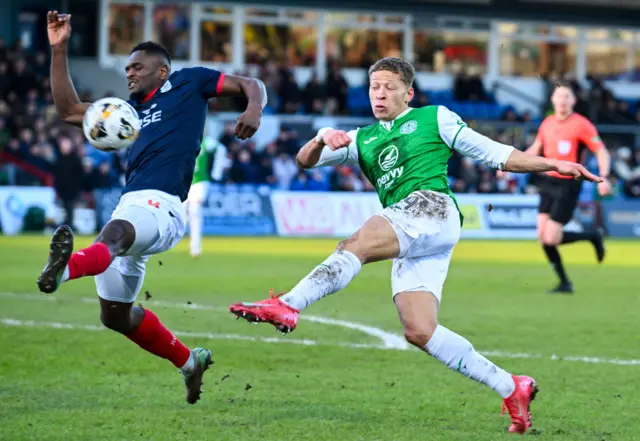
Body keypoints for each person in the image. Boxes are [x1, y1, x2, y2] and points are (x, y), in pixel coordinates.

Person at [228, 58, 602, 434]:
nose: (380, 93)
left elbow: (497, 154)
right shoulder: (361, 138)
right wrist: (321, 136)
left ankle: (289, 304)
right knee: (419, 330)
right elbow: (304, 161)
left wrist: (554, 163)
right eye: (374, 86)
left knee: (355, 243)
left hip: (431, 207)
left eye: (389, 86)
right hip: (414, 230)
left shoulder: (434, 118)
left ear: (408, 92)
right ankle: (511, 386)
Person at [36, 11, 266, 404]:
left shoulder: (188, 83)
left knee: (116, 234)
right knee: (115, 316)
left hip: (165, 207)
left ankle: (65, 269)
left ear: (162, 71)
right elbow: (69, 111)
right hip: (132, 204)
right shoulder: (128, 113)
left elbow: (250, 83)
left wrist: (253, 108)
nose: (130, 73)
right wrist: (59, 50)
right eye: (126, 68)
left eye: (137, 67)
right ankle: (189, 362)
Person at [526, 83, 611, 294]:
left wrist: (605, 176)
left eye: (566, 97)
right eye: (559, 96)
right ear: (553, 100)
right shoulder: (547, 123)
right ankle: (565, 282)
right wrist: (507, 165)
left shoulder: (582, 125)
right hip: (548, 182)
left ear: (573, 101)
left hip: (569, 183)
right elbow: (536, 149)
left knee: (551, 238)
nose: (562, 101)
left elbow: (601, 151)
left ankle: (593, 236)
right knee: (542, 237)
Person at [184, 135, 226, 258]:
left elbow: (221, 149)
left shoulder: (206, 141)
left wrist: (216, 172)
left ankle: (195, 248)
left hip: (200, 182)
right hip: (184, 183)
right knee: (181, 213)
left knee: (195, 211)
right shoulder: (180, 138)